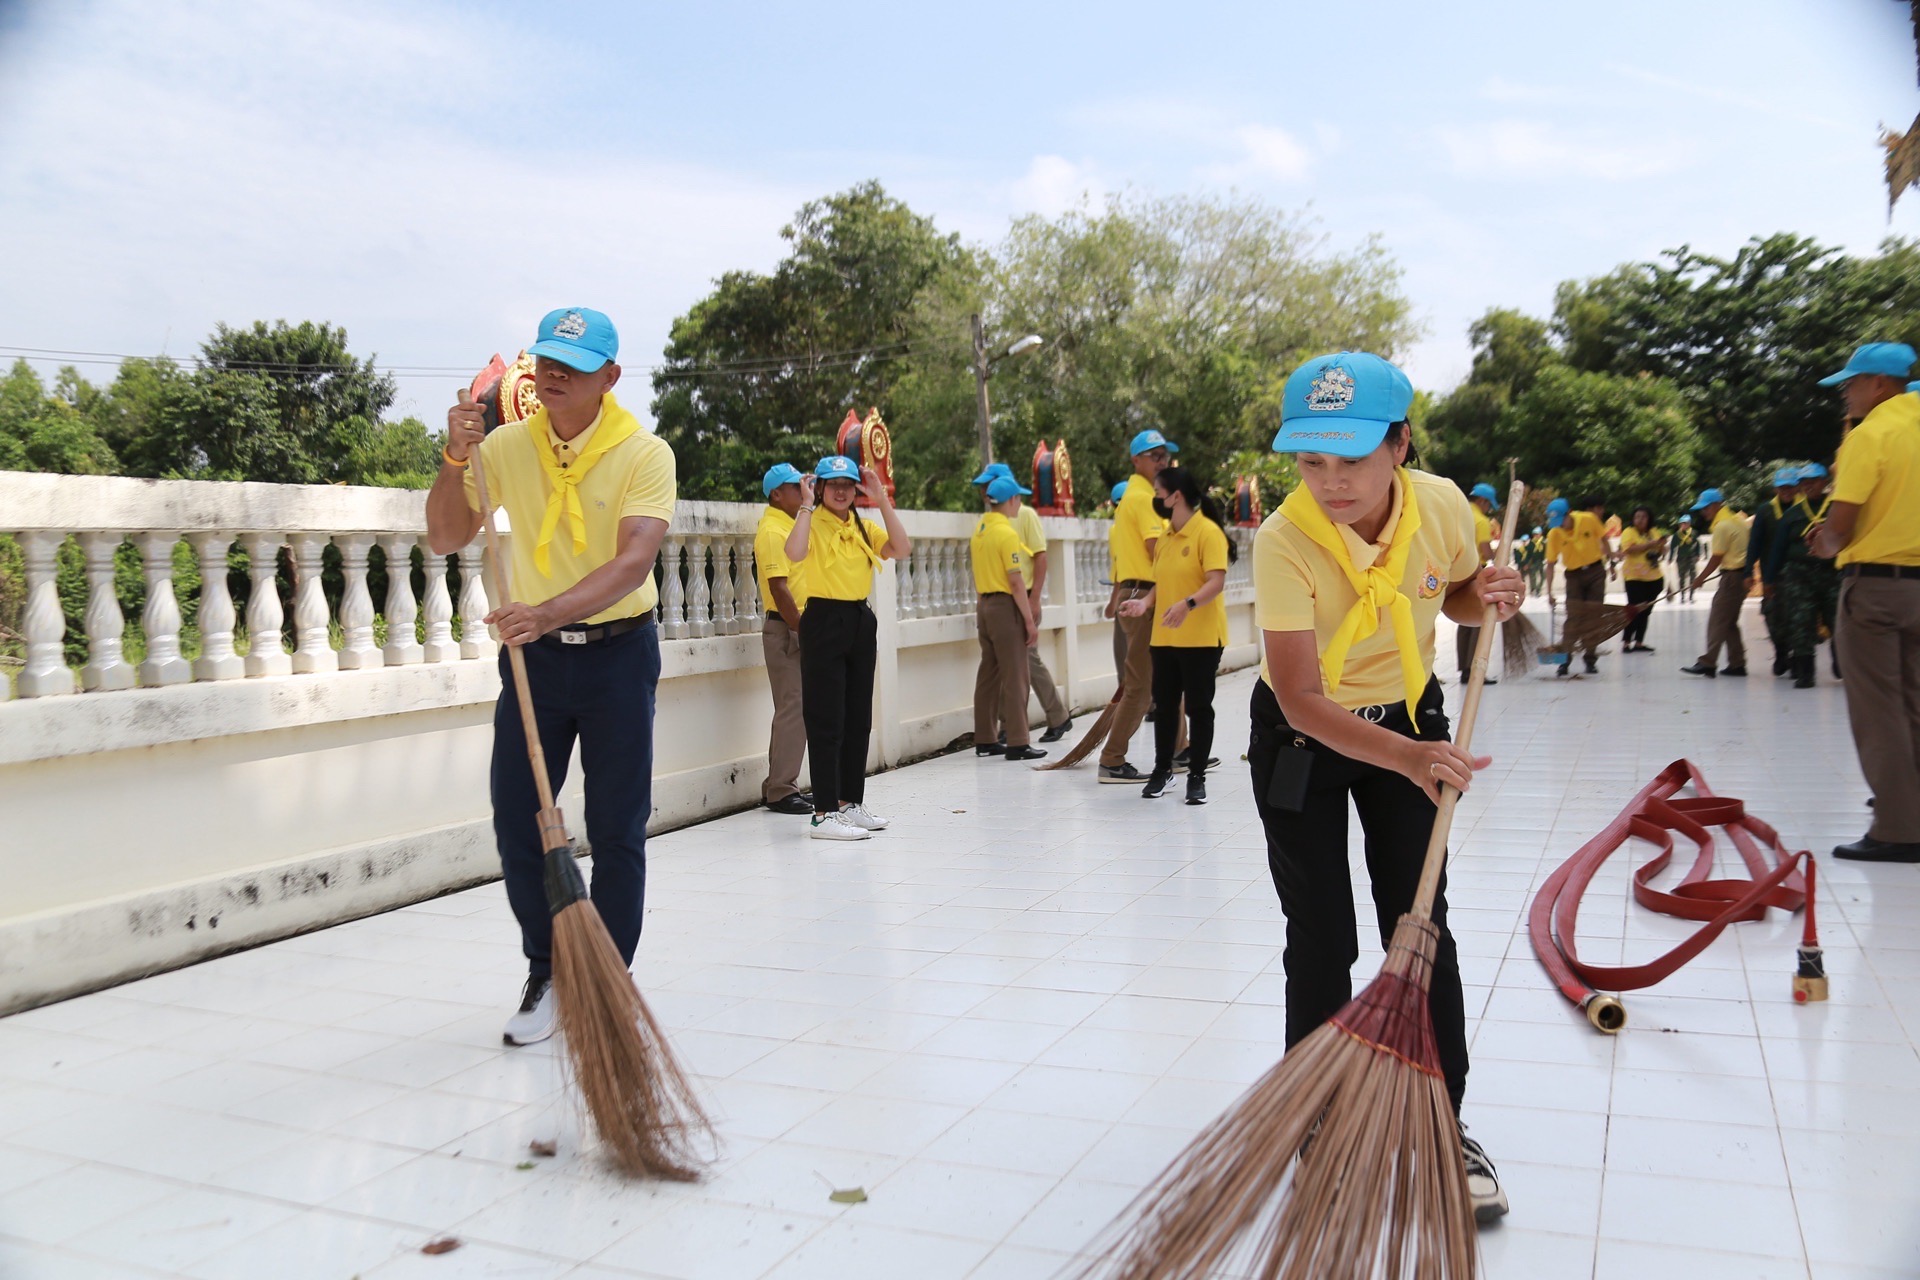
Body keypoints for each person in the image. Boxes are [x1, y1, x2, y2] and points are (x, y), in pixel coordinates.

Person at [1249, 350, 1520, 1221]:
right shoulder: (1284, 539)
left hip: (1409, 716)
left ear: (1400, 445)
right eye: (1310, 460)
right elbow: (1298, 693)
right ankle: (1319, 1115)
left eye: (1352, 459)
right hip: (1306, 738)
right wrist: (1405, 758)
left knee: (1420, 923)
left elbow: (1458, 598)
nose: (1330, 482)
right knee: (1321, 934)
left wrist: (1493, 593)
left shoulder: (1443, 507)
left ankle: (1444, 1121)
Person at [427, 306, 674, 1046]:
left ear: (611, 376)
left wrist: (544, 610)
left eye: (575, 364)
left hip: (620, 652)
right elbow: (444, 535)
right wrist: (452, 458)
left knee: (616, 826)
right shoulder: (503, 447)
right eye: (546, 361)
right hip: (536, 662)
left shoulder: (643, 453)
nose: (555, 375)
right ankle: (547, 970)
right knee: (518, 819)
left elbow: (634, 562)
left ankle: (608, 981)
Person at [1809, 342, 1920, 862]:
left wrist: (1822, 542)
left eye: (1850, 384)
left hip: (1876, 589)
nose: (1845, 395)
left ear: (1879, 383)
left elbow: (1841, 527)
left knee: (1880, 712)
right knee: (1914, 705)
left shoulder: (1871, 434)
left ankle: (1899, 829)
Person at [785, 455, 912, 841]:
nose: (840, 490)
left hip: (859, 619)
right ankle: (823, 812)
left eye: (848, 484)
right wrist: (806, 503)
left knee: (858, 717)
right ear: (820, 487)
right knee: (826, 718)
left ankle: (848, 802)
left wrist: (881, 497)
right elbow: (793, 553)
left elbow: (901, 547)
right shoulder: (811, 521)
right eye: (832, 483)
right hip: (823, 618)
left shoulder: (863, 525)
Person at [1120, 466, 1233, 803]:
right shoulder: (1167, 537)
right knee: (1166, 707)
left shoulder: (1207, 533)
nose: (1155, 499)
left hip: (1200, 638)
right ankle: (1161, 770)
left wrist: (1188, 605)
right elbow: (1162, 583)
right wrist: (1144, 604)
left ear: (1176, 496)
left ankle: (1196, 776)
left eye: (1158, 493)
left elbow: (1216, 581)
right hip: (1164, 639)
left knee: (1198, 708)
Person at [972, 463, 1072, 743]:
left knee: (1024, 662)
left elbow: (1040, 556)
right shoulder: (989, 521)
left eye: (987, 484)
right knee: (1009, 666)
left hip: (1022, 596)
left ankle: (1053, 716)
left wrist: (1034, 599)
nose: (983, 490)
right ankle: (1011, 727)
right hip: (1002, 598)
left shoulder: (1024, 515)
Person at [1099, 428, 1178, 783]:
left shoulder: (1144, 495)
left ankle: (1180, 749)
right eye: (1155, 456)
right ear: (1136, 460)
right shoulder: (1143, 498)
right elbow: (1154, 549)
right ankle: (1112, 760)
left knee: (1164, 677)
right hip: (1144, 597)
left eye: (1165, 456)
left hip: (1142, 593)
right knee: (1141, 685)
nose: (1163, 461)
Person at [971, 474, 1047, 762]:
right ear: (1011, 500)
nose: (1020, 504)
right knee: (1016, 675)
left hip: (985, 606)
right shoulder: (1007, 533)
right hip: (1005, 608)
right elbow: (1016, 583)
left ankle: (986, 739)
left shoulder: (979, 530)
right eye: (1018, 498)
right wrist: (1029, 621)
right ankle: (1018, 742)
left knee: (988, 674)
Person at [755, 463, 813, 814]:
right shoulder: (773, 532)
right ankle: (781, 790)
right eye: (795, 487)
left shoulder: (789, 527)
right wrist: (802, 631)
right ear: (777, 494)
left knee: (793, 709)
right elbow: (779, 588)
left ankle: (777, 785)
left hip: (793, 626)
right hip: (787, 628)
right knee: (794, 709)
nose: (801, 491)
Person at [1773, 464, 1834, 690]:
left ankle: (1842, 663)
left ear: (1824, 482)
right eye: (1804, 481)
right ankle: (1805, 673)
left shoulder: (1836, 509)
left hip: (1832, 573)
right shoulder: (1792, 514)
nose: (1808, 485)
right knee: (1802, 622)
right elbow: (1779, 549)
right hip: (1799, 575)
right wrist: (1770, 580)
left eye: (1813, 480)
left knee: (1838, 619)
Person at [1680, 488, 1751, 678]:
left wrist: (1699, 579)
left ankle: (1707, 662)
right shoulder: (1737, 520)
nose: (1704, 513)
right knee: (1728, 623)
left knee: (1717, 619)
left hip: (1731, 578)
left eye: (1706, 508)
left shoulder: (1722, 526)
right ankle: (1737, 664)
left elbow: (1716, 558)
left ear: (1716, 505)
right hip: (1741, 576)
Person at [1546, 495, 1612, 675]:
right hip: (1573, 576)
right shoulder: (1554, 533)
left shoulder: (1589, 519)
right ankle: (1564, 660)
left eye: (1562, 520)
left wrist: (1612, 562)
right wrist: (1549, 592)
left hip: (1595, 572)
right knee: (1574, 617)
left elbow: (1604, 538)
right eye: (1556, 522)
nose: (1560, 525)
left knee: (1593, 616)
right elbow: (1550, 564)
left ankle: (1590, 659)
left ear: (1570, 513)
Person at [1750, 467, 1802, 677]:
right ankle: (1781, 651)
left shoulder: (1804, 508)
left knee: (1799, 617)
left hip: (1800, 574)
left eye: (1790, 487)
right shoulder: (1765, 511)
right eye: (1783, 487)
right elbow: (1755, 542)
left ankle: (1798, 657)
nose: (1787, 491)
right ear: (1776, 489)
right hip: (1772, 574)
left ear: (1797, 487)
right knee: (1772, 614)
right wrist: (1748, 571)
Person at [1455, 483, 1502, 686]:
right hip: (1476, 572)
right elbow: (1486, 549)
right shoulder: (1481, 521)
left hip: (1457, 572)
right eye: (1488, 505)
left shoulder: (1459, 512)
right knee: (1476, 621)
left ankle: (1464, 669)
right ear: (1482, 501)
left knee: (1463, 622)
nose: (1488, 509)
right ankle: (1474, 670)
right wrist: (1500, 557)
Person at [1617, 506, 1668, 653]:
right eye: (1637, 517)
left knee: (1646, 610)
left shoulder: (1653, 532)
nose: (1640, 520)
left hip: (1654, 577)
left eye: (1643, 517)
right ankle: (1626, 642)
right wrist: (1649, 545)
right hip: (1634, 577)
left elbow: (1659, 548)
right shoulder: (1628, 532)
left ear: (1649, 519)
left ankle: (1639, 642)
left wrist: (1662, 547)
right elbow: (1628, 550)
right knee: (1634, 609)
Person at [1672, 514, 1700, 601]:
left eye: (1685, 523)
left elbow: (1698, 544)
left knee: (1693, 576)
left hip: (1691, 557)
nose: (1683, 525)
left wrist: (1697, 554)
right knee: (1682, 577)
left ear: (1689, 524)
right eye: (1682, 523)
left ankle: (1691, 595)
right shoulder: (1677, 535)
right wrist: (1670, 558)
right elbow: (1673, 547)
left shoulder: (1693, 533)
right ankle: (1682, 596)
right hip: (1681, 558)